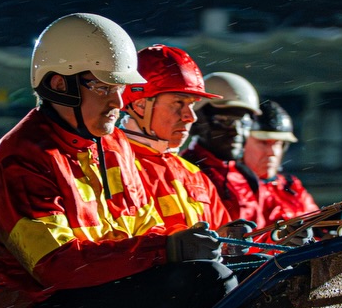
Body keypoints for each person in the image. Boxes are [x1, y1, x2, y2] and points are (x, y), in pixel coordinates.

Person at [0, 13, 235, 308]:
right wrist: (168, 248)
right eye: (103, 87)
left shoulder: (113, 143)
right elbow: (57, 266)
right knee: (209, 280)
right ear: (58, 85)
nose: (117, 102)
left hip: (99, 297)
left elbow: (146, 229)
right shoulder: (20, 159)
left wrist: (211, 242)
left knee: (245, 274)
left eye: (119, 89)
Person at [120, 44, 233, 233]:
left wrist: (275, 239)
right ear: (140, 105)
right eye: (178, 102)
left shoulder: (194, 174)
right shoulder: (108, 165)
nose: (191, 117)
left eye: (191, 104)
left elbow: (224, 246)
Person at [182, 71, 264, 226]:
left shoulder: (247, 177)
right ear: (198, 122)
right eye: (225, 121)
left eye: (244, 123)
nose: (237, 131)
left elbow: (260, 236)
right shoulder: (182, 174)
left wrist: (283, 236)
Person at [244, 99, 321, 227]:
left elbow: (317, 228)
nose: (272, 152)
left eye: (278, 143)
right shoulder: (228, 186)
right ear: (242, 143)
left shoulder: (291, 187)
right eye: (264, 142)